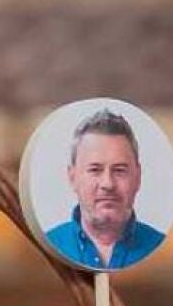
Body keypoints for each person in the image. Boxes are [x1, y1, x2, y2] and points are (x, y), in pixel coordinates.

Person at [45, 108, 166, 270]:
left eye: (119, 170)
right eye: (95, 170)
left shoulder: (163, 252)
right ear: (72, 177)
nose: (108, 184)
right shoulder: (45, 249)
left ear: (138, 177)